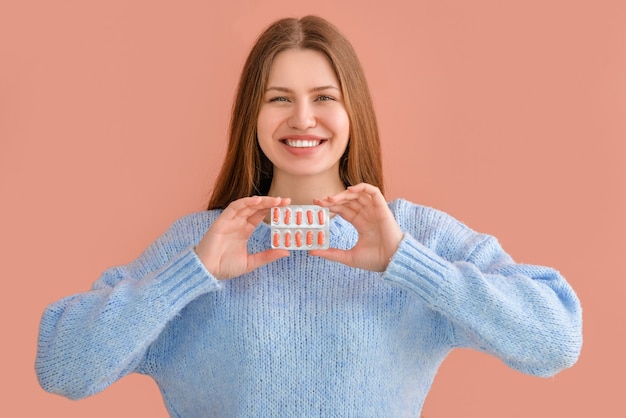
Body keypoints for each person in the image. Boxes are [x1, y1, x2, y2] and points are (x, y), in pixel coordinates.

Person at [35, 15, 582, 417]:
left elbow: (555, 341)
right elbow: (61, 367)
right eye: (279, 98)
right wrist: (188, 276)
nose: (302, 118)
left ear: (352, 111)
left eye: (323, 96)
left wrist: (407, 262)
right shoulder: (200, 245)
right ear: (252, 114)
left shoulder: (416, 236)